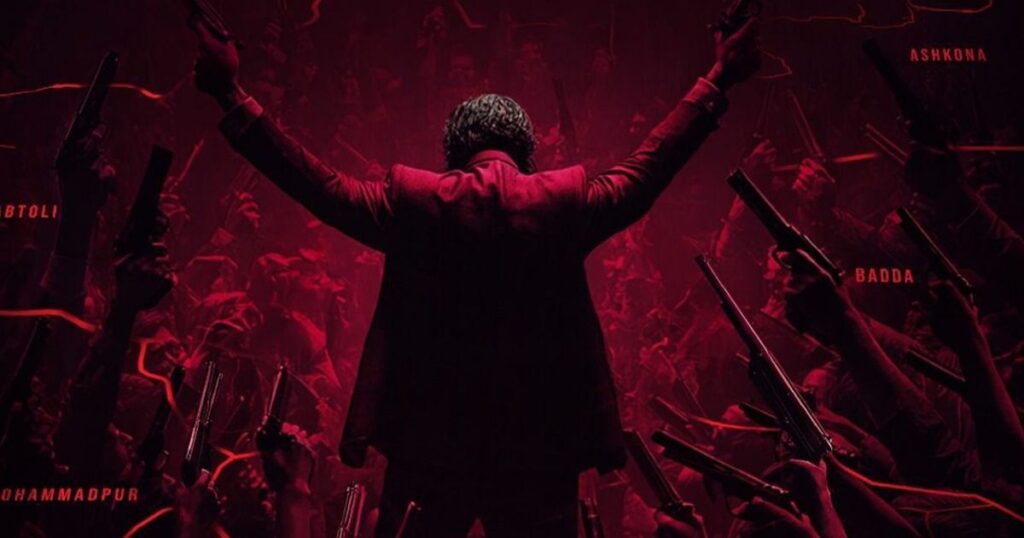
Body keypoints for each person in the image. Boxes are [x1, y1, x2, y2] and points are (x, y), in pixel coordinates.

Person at [191, 14, 761, 536]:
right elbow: (648, 171)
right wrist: (717, 79)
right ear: (526, 153)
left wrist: (230, 94)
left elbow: (319, 187)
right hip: (541, 450)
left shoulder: (413, 203)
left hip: (429, 446)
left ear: (453, 153)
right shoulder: (562, 204)